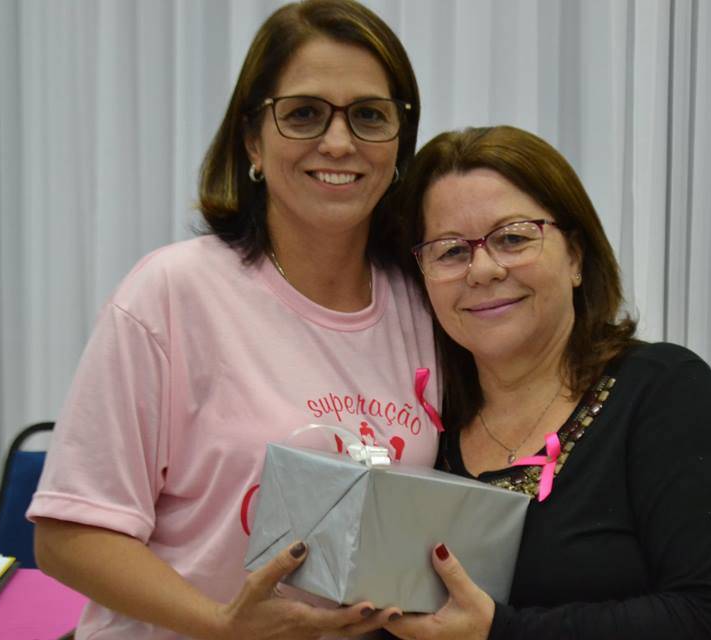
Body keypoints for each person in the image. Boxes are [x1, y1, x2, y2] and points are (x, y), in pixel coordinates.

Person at [27, 2, 438, 638]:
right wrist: (221, 624)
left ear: (399, 143)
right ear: (252, 140)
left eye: (369, 115)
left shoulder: (425, 303)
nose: (338, 142)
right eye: (303, 114)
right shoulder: (172, 293)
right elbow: (66, 535)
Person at [385, 125, 711, 640]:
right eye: (451, 251)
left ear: (575, 256)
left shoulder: (663, 392)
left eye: (513, 238)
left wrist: (501, 633)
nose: (482, 269)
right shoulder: (421, 425)